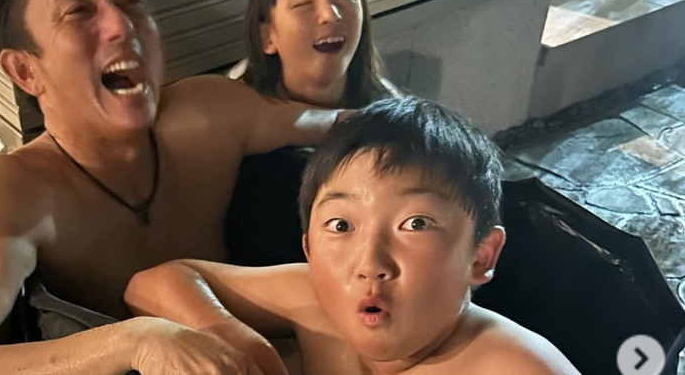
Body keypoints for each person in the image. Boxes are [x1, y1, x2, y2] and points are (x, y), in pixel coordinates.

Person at [0, 0, 349, 375]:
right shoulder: (0, 193)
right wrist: (133, 342)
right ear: (25, 71)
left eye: (130, 2)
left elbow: (340, 125)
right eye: (78, 11)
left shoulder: (207, 116)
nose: (121, 25)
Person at [127, 97, 581, 375]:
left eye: (415, 224)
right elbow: (152, 284)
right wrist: (232, 337)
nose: (369, 263)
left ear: (480, 255)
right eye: (341, 226)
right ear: (309, 248)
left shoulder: (514, 366)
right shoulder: (314, 301)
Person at [226, 0, 401, 265]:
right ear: (267, 37)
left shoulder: (390, 111)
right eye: (303, 3)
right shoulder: (239, 140)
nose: (330, 15)